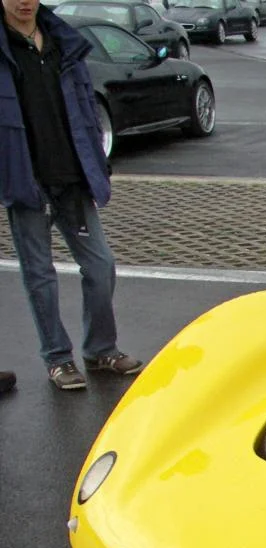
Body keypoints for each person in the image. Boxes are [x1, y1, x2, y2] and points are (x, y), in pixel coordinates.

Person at [0, 0, 143, 391]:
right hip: (27, 183)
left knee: (101, 267)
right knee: (40, 276)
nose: (23, 2)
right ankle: (58, 360)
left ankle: (100, 350)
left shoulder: (64, 41)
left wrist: (97, 165)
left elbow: (85, 110)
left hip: (73, 178)